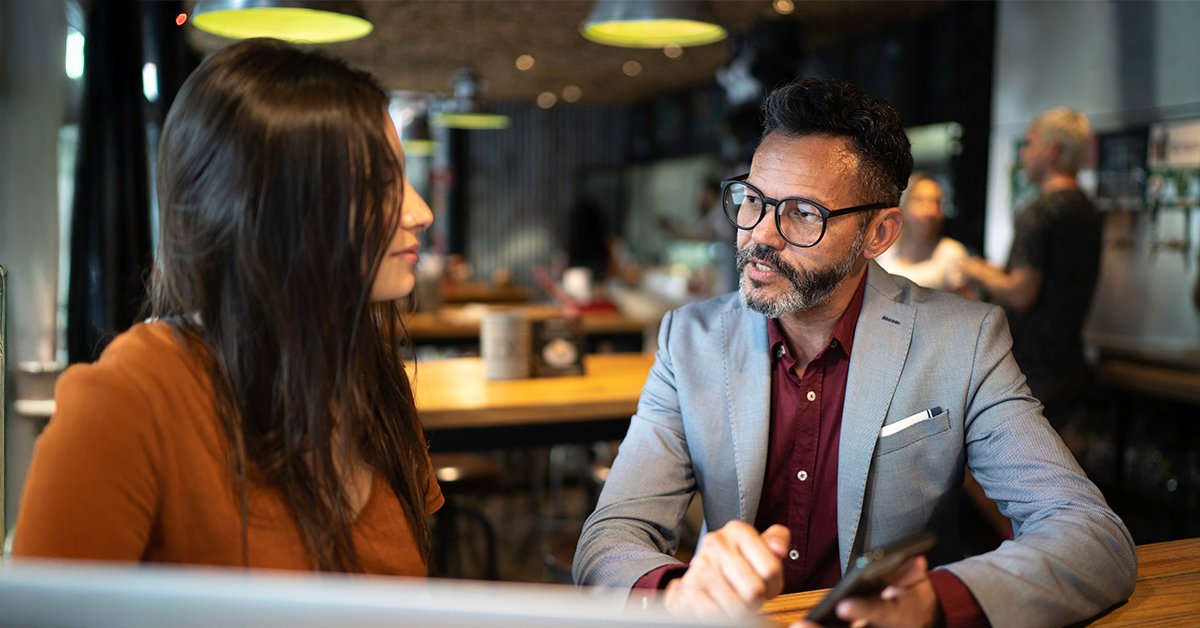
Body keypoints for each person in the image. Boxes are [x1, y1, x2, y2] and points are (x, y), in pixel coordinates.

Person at [573, 79, 1135, 628]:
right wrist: (677, 593)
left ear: (879, 233)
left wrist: (932, 604)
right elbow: (611, 536)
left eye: (802, 213)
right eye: (753, 200)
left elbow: (1091, 535)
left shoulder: (962, 340)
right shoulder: (689, 340)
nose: (760, 234)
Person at [14, 39, 441, 574]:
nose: (420, 211)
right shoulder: (133, 397)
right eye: (380, 185)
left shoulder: (373, 381)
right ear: (274, 207)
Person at [959, 108, 1102, 422]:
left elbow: (1023, 293)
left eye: (1029, 144)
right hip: (1069, 363)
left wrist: (974, 270)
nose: (1022, 154)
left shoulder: (1038, 211)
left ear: (1052, 150)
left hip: (1030, 370)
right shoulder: (1089, 211)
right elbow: (1052, 279)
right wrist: (996, 271)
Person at [875, 173, 971, 296]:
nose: (929, 211)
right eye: (920, 201)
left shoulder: (952, 253)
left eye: (935, 202)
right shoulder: (885, 250)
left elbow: (962, 307)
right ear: (904, 206)